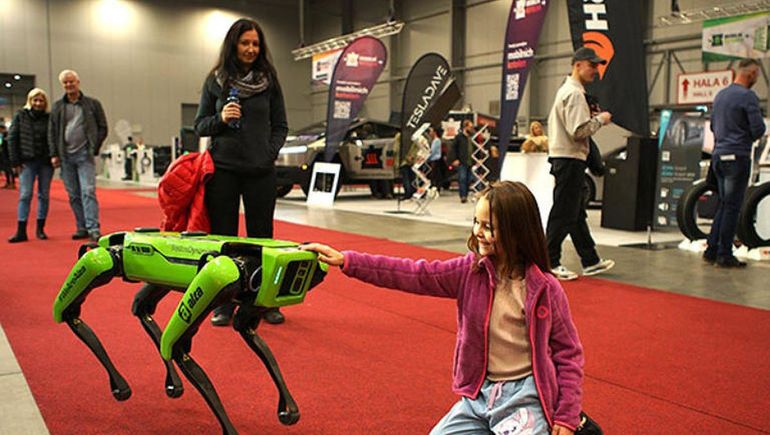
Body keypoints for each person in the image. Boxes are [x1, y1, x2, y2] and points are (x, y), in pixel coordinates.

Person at [301, 181, 584, 434]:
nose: (478, 232)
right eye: (476, 222)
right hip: (478, 396)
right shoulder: (469, 271)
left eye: (488, 226)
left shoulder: (546, 289)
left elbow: (568, 354)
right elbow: (413, 273)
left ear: (517, 231)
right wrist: (348, 261)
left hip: (524, 397)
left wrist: (567, 415)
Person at [195, 18, 288, 326]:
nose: (251, 49)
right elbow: (200, 125)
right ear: (233, 44)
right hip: (223, 170)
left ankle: (264, 302)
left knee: (262, 240)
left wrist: (268, 152)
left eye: (255, 44)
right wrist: (220, 119)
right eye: (245, 43)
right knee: (224, 239)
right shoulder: (215, 80)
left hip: (261, 171)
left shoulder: (269, 81)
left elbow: (281, 125)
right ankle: (223, 303)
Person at [544, 47, 615, 281]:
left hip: (568, 158)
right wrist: (600, 120)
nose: (595, 70)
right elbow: (578, 131)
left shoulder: (570, 92)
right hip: (569, 158)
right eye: (591, 65)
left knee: (574, 212)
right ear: (577, 65)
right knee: (564, 212)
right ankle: (549, 261)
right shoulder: (574, 94)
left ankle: (590, 259)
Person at [704, 58, 766, 268]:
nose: (757, 78)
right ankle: (724, 254)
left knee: (724, 204)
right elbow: (758, 129)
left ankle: (712, 250)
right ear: (751, 73)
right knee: (732, 207)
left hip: (718, 157)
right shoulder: (748, 96)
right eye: (757, 74)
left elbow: (713, 126)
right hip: (737, 157)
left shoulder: (720, 95)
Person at [49, 69, 107, 242]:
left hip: (84, 155)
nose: (69, 85)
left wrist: (94, 146)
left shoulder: (92, 104)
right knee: (73, 194)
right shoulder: (57, 107)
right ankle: (81, 227)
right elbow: (52, 132)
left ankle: (93, 228)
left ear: (78, 82)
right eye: (65, 82)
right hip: (65, 156)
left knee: (88, 191)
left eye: (71, 81)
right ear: (62, 85)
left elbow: (103, 127)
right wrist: (54, 154)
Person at [7, 88, 54, 243]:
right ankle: (21, 231)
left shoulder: (49, 118)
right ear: (30, 101)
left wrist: (54, 155)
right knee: (25, 195)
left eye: (41, 100)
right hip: (26, 162)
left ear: (45, 103)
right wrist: (15, 161)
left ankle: (40, 229)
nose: (38, 103)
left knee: (44, 195)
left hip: (46, 162)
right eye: (35, 100)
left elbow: (53, 138)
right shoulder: (20, 116)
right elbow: (12, 138)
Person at [452, 119, 476, 203]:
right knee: (462, 178)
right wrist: (454, 159)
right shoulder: (459, 137)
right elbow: (453, 148)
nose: (472, 128)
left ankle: (466, 194)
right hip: (462, 161)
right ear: (465, 127)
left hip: (471, 162)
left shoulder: (472, 137)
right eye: (470, 127)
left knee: (469, 179)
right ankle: (463, 196)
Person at [427, 126, 444, 191]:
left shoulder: (437, 141)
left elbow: (432, 151)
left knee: (435, 175)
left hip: (435, 160)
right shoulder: (434, 140)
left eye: (431, 131)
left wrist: (427, 157)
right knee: (434, 175)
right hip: (434, 159)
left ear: (435, 132)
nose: (429, 133)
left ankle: (435, 188)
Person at [0, 123, 15, 189]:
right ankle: (8, 182)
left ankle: (12, 183)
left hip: (8, 155)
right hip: (4, 155)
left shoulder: (8, 134)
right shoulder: (2, 135)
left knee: (10, 169)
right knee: (6, 169)